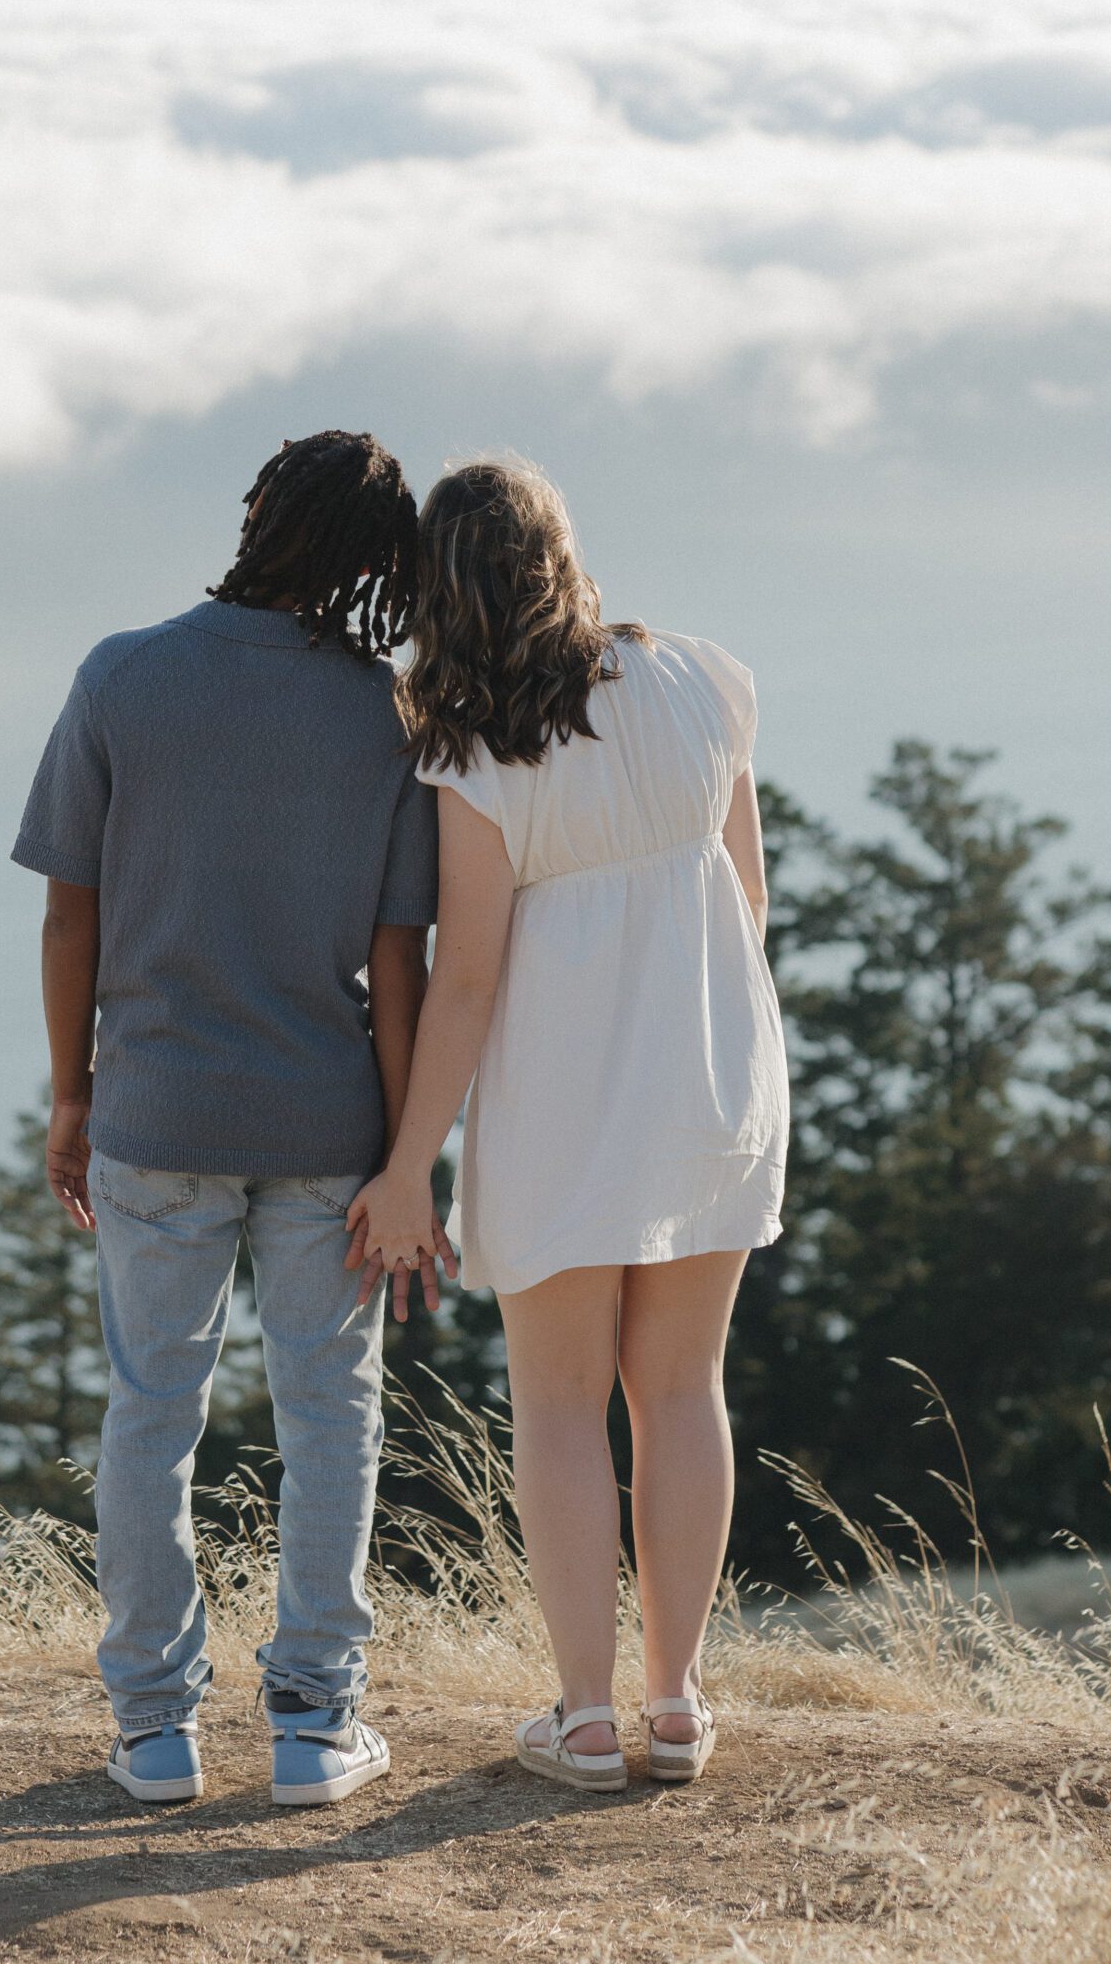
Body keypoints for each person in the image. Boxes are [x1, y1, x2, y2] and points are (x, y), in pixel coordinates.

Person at [11, 430, 447, 1809]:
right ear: (381, 563)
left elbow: (68, 910)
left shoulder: (122, 677)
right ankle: (317, 1727)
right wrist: (400, 1153)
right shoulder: (386, 717)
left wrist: (74, 1093)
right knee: (332, 1418)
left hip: (156, 1111)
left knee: (152, 1411)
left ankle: (156, 1729)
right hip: (328, 1128)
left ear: (257, 514)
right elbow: (397, 963)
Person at [347, 459, 787, 1790]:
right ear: (561, 554)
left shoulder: (472, 755)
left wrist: (409, 1161)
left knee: (556, 1400)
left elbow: (466, 978)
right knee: (680, 1389)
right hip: (712, 1078)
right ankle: (676, 1704)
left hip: (563, 1099)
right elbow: (749, 903)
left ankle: (584, 1716)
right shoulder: (707, 680)